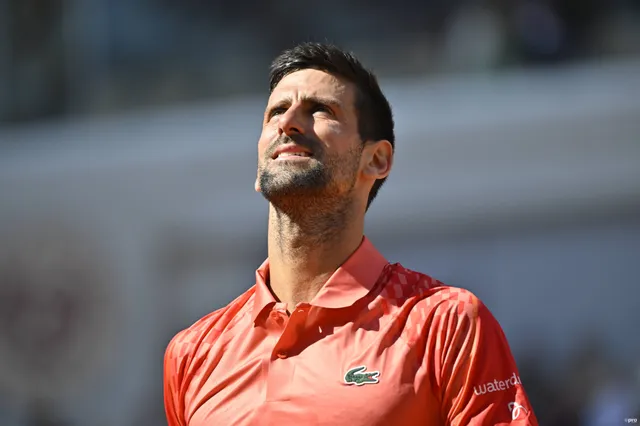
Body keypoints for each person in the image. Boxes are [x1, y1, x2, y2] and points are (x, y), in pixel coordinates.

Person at [163, 42, 539, 426]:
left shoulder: (445, 324)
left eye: (320, 110)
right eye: (276, 110)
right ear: (260, 169)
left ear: (376, 159)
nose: (288, 122)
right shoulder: (194, 353)